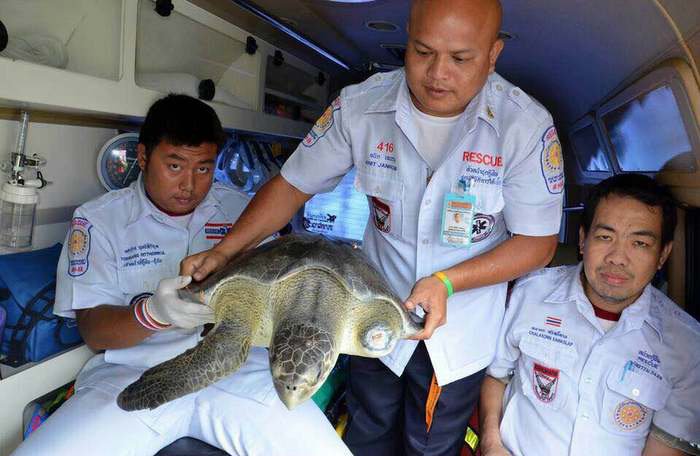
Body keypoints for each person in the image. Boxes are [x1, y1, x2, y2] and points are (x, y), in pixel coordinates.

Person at [181, 0, 565, 453]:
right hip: (368, 307)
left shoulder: (524, 126)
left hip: (457, 329)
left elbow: (537, 244)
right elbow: (290, 186)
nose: (438, 73)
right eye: (422, 52)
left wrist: (448, 281)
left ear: (494, 53)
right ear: (406, 39)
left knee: (430, 445)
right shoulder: (361, 106)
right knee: (367, 432)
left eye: (461, 58)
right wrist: (225, 251)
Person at [12, 94, 350, 456]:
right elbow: (94, 329)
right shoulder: (100, 220)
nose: (189, 184)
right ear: (143, 157)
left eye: (203, 168)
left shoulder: (245, 214)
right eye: (174, 167)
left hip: (237, 373)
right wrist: (153, 314)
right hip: (134, 372)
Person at [480, 174, 700, 456]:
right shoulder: (531, 293)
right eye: (605, 237)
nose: (617, 257)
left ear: (662, 255)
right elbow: (497, 376)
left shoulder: (686, 345)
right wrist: (491, 444)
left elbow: (666, 446)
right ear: (583, 240)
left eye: (640, 244)